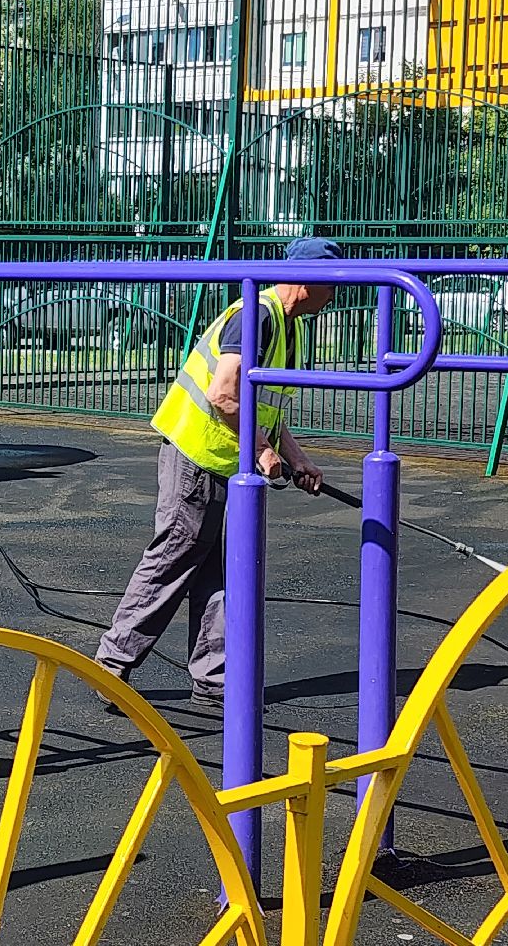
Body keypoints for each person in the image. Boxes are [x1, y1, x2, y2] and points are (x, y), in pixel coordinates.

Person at [95, 237, 340, 706]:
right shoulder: (257, 315)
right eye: (334, 285)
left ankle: (213, 679)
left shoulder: (291, 327)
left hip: (227, 460)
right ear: (311, 280)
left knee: (220, 570)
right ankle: (111, 664)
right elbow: (224, 394)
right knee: (174, 557)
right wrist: (262, 451)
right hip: (197, 454)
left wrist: (295, 457)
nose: (337, 296)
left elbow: (267, 405)